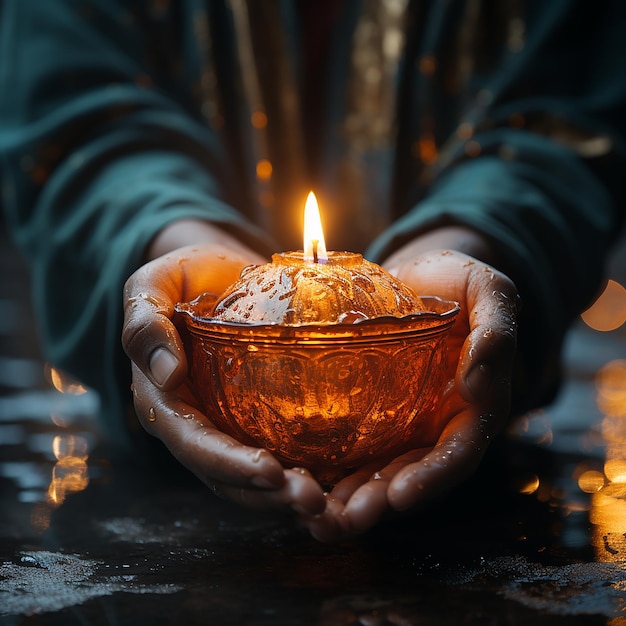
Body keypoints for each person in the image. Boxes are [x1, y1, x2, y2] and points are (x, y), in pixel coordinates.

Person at [1, 1, 624, 541]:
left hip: (478, 490)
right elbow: (71, 112)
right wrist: (171, 239)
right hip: (153, 505)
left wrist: (476, 242)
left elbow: (565, 110)